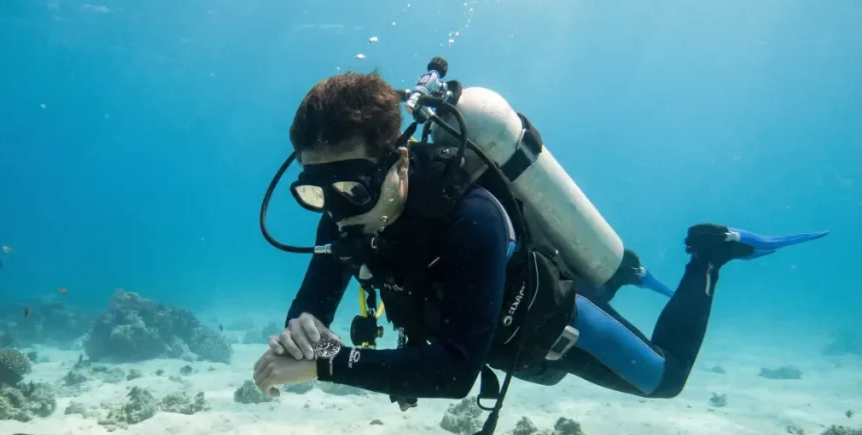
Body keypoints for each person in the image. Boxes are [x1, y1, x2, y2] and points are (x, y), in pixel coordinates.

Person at [252, 71, 827, 405]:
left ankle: (708, 256)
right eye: (315, 193)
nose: (335, 211)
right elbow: (316, 299)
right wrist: (302, 327)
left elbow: (454, 372)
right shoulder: (345, 211)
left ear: (398, 160)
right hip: (482, 326)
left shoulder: (470, 217)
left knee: (666, 379)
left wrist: (328, 364)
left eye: (350, 187)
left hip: (550, 321)